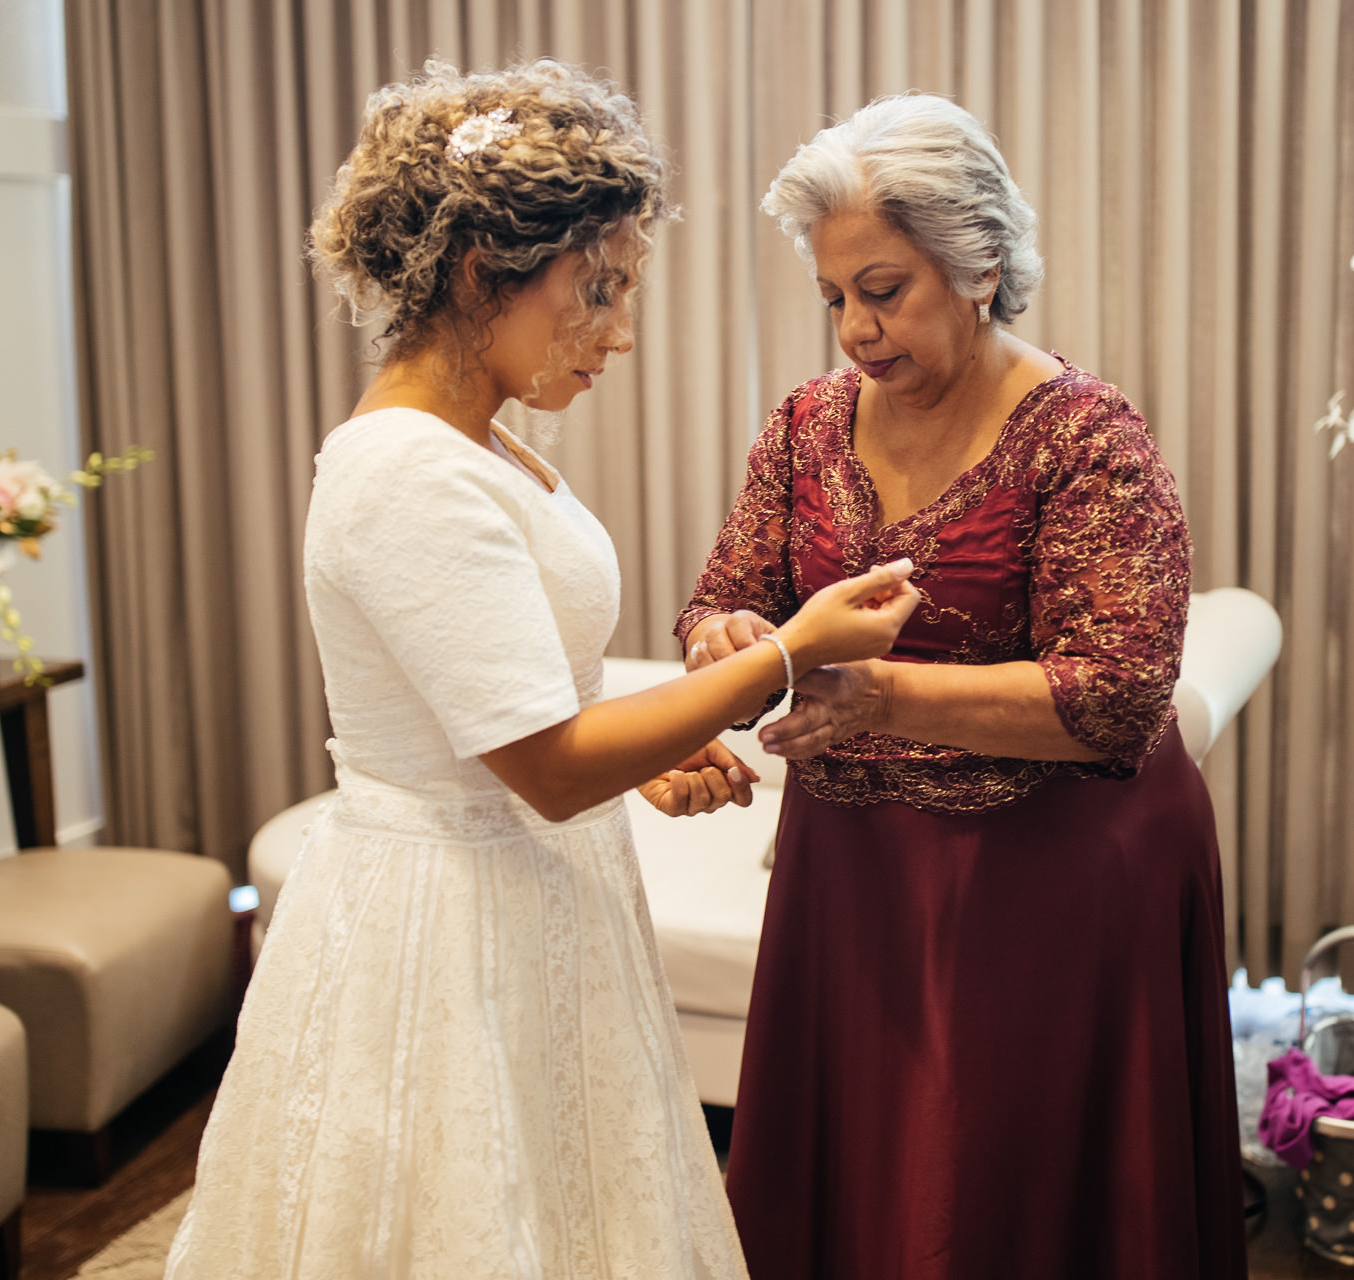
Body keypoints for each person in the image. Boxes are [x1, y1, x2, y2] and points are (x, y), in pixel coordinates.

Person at [164, 61, 919, 1279]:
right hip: (441, 918)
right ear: (481, 274)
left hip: (534, 883)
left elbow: (519, 704)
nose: (620, 330)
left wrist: (655, 744)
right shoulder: (403, 470)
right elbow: (548, 769)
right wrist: (791, 648)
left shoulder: (481, 442)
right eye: (599, 289)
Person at [678, 94, 1248, 1280]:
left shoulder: (1088, 437)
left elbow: (1121, 694)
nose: (854, 330)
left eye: (884, 290)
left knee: (1006, 1203)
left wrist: (879, 697)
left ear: (980, 264)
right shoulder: (803, 429)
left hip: (1053, 876)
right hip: (854, 875)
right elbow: (718, 603)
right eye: (835, 296)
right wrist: (724, 643)